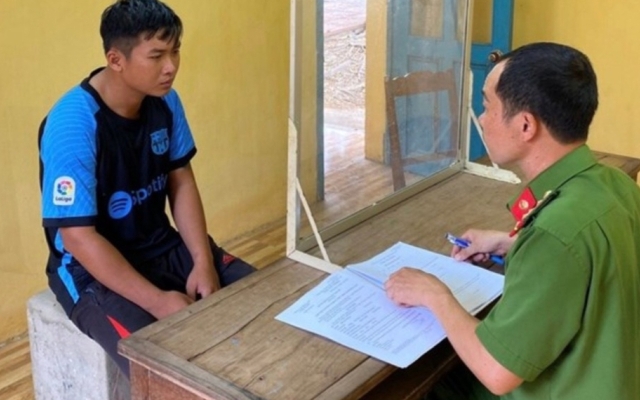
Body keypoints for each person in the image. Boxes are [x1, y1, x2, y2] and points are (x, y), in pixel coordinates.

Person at [385, 42, 640, 399]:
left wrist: (434, 295)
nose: (482, 119)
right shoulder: (614, 183)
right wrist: (512, 243)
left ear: (525, 125)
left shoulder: (554, 234)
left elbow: (497, 373)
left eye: (488, 106)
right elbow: (593, 255)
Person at [38, 0, 255, 377]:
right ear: (116, 60)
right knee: (164, 374)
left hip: (161, 246)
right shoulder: (72, 123)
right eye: (156, 56)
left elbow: (181, 180)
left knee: (267, 306)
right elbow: (78, 238)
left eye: (175, 51)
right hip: (90, 272)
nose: (171, 66)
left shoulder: (165, 101)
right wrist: (157, 301)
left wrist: (202, 261)